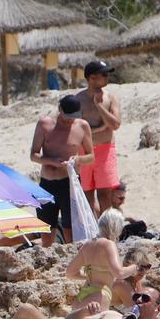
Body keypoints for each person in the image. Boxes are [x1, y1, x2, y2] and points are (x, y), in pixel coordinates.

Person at [30, 93, 94, 242]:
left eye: (74, 116)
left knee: (70, 227)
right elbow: (33, 155)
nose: (71, 120)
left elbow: (91, 156)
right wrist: (52, 161)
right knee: (46, 227)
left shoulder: (82, 126)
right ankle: (47, 258)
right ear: (60, 109)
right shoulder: (45, 124)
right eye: (68, 116)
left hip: (69, 183)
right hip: (47, 183)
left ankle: (71, 258)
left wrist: (77, 159)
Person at [72, 60, 122, 214]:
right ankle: (92, 232)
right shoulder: (78, 99)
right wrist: (101, 127)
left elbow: (115, 124)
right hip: (84, 152)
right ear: (92, 77)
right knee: (86, 194)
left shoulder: (111, 98)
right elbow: (75, 127)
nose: (108, 77)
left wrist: (99, 105)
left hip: (105, 150)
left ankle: (107, 231)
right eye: (104, 74)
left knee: (105, 195)